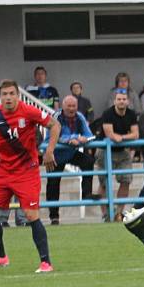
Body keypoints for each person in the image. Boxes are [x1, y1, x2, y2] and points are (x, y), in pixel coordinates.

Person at [0, 79, 60, 274]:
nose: (8, 97)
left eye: (11, 94)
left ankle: (46, 263)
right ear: (1, 96)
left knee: (31, 215)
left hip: (27, 171)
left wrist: (50, 150)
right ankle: (0, 256)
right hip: (3, 171)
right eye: (4, 94)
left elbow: (55, 125)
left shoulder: (29, 111)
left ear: (17, 95)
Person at [48, 95, 96, 226]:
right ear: (63, 106)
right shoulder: (56, 116)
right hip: (55, 155)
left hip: (70, 152)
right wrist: (71, 138)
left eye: (73, 106)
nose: (71, 108)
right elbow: (53, 136)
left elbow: (89, 135)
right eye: (68, 106)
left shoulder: (79, 117)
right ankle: (54, 216)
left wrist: (84, 139)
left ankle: (87, 194)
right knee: (53, 183)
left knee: (88, 161)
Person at [95, 88, 139, 222]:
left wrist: (122, 137)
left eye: (124, 99)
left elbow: (135, 135)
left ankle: (119, 213)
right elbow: (110, 134)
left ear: (128, 101)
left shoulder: (131, 114)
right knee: (104, 184)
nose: (121, 101)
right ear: (115, 101)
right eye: (119, 99)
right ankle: (105, 214)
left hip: (123, 151)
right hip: (105, 152)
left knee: (126, 181)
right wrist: (120, 137)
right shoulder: (107, 113)